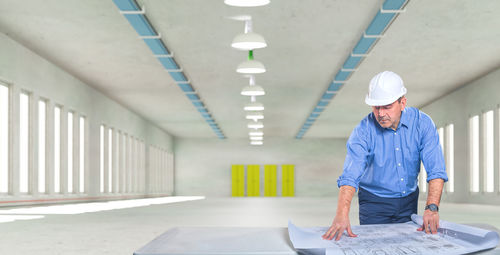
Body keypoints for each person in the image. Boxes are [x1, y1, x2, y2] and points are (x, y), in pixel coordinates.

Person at [322, 71, 448, 241]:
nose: (380, 113)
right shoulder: (363, 131)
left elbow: (436, 169)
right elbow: (350, 176)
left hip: (409, 200)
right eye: (376, 107)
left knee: (407, 247)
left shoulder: (422, 124)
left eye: (387, 106)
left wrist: (432, 208)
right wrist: (342, 214)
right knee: (375, 247)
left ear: (402, 103)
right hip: (374, 203)